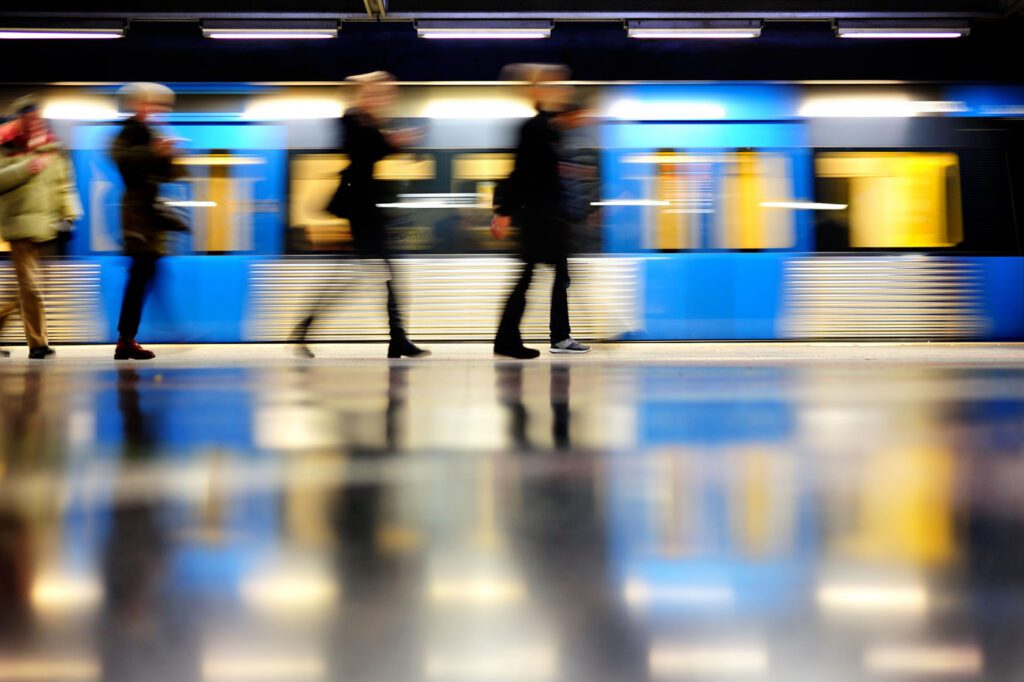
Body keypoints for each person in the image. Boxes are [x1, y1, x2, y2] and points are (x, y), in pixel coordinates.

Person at [293, 71, 429, 360]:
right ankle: (398, 339)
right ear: (365, 94)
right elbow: (362, 153)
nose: (383, 99)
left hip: (368, 209)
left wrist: (395, 142)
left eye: (387, 94)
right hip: (360, 210)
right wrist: (393, 142)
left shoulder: (370, 123)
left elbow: (374, 152)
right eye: (379, 93)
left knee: (365, 275)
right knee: (387, 275)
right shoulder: (352, 118)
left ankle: (308, 327)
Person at [491, 65, 591, 359]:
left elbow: (543, 172)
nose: (563, 89)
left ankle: (545, 337)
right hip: (538, 219)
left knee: (549, 276)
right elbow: (521, 174)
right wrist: (504, 212)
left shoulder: (548, 129)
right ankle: (511, 339)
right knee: (528, 277)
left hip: (548, 218)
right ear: (539, 90)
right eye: (555, 85)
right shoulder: (534, 128)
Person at [110, 82, 188, 361]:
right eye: (153, 104)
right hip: (135, 217)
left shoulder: (153, 134)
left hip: (150, 217)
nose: (157, 110)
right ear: (138, 104)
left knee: (146, 275)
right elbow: (123, 162)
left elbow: (169, 176)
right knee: (141, 277)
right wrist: (155, 151)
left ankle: (128, 338)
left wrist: (171, 156)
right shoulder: (126, 134)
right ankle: (127, 339)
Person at [0, 95, 81, 359]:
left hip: (46, 227)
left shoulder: (52, 148)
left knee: (24, 290)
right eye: (28, 117)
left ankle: (35, 340)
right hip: (19, 225)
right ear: (20, 119)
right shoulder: (6, 145)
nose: (34, 122)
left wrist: (70, 213)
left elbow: (63, 184)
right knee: (31, 287)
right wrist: (27, 167)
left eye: (37, 117)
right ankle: (37, 344)